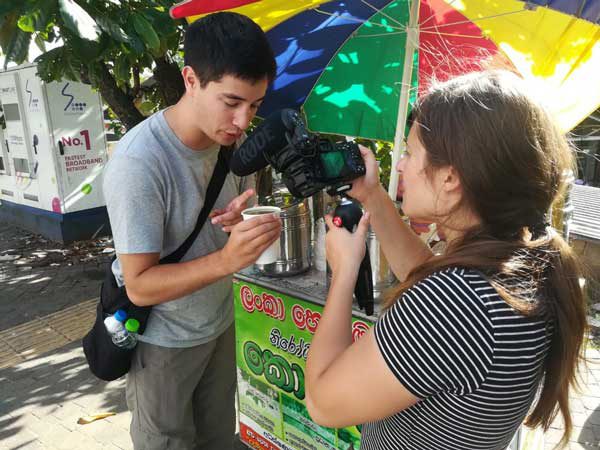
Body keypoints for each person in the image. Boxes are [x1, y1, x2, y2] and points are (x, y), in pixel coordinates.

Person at [305, 70, 587, 450]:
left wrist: (344, 271)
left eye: (410, 153)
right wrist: (372, 195)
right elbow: (424, 275)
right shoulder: (520, 264)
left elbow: (322, 403)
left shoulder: (458, 302)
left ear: (450, 178)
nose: (400, 165)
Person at [102, 12, 280, 450]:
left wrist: (241, 216)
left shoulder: (229, 142)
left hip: (218, 324)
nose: (242, 120)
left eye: (255, 105)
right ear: (191, 80)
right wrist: (226, 260)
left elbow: (225, 214)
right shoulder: (140, 163)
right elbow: (139, 285)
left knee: (219, 439)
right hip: (163, 343)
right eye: (231, 102)